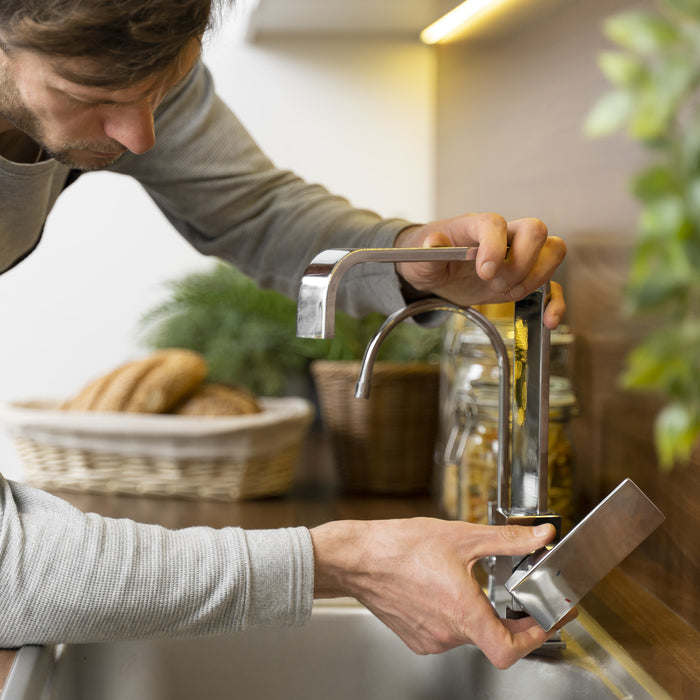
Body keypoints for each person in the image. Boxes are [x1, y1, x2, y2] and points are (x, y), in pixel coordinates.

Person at [0, 0, 570, 670]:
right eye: (91, 96)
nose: (139, 134)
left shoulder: (124, 56)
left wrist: (408, 257)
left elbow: (253, 208)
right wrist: (341, 561)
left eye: (161, 88)